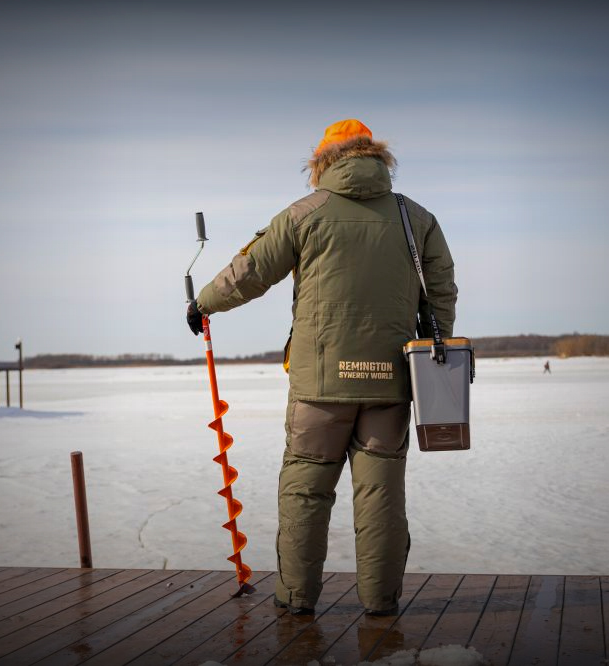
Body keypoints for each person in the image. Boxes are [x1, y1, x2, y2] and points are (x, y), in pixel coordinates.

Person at [185, 119, 457, 616]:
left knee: (305, 494)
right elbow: (441, 292)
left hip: (318, 388)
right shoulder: (415, 218)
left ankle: (295, 601)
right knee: (381, 498)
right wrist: (429, 346)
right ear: (376, 158)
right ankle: (380, 603)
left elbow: (251, 271)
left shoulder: (303, 213)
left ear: (323, 162)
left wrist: (203, 303)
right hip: (391, 382)